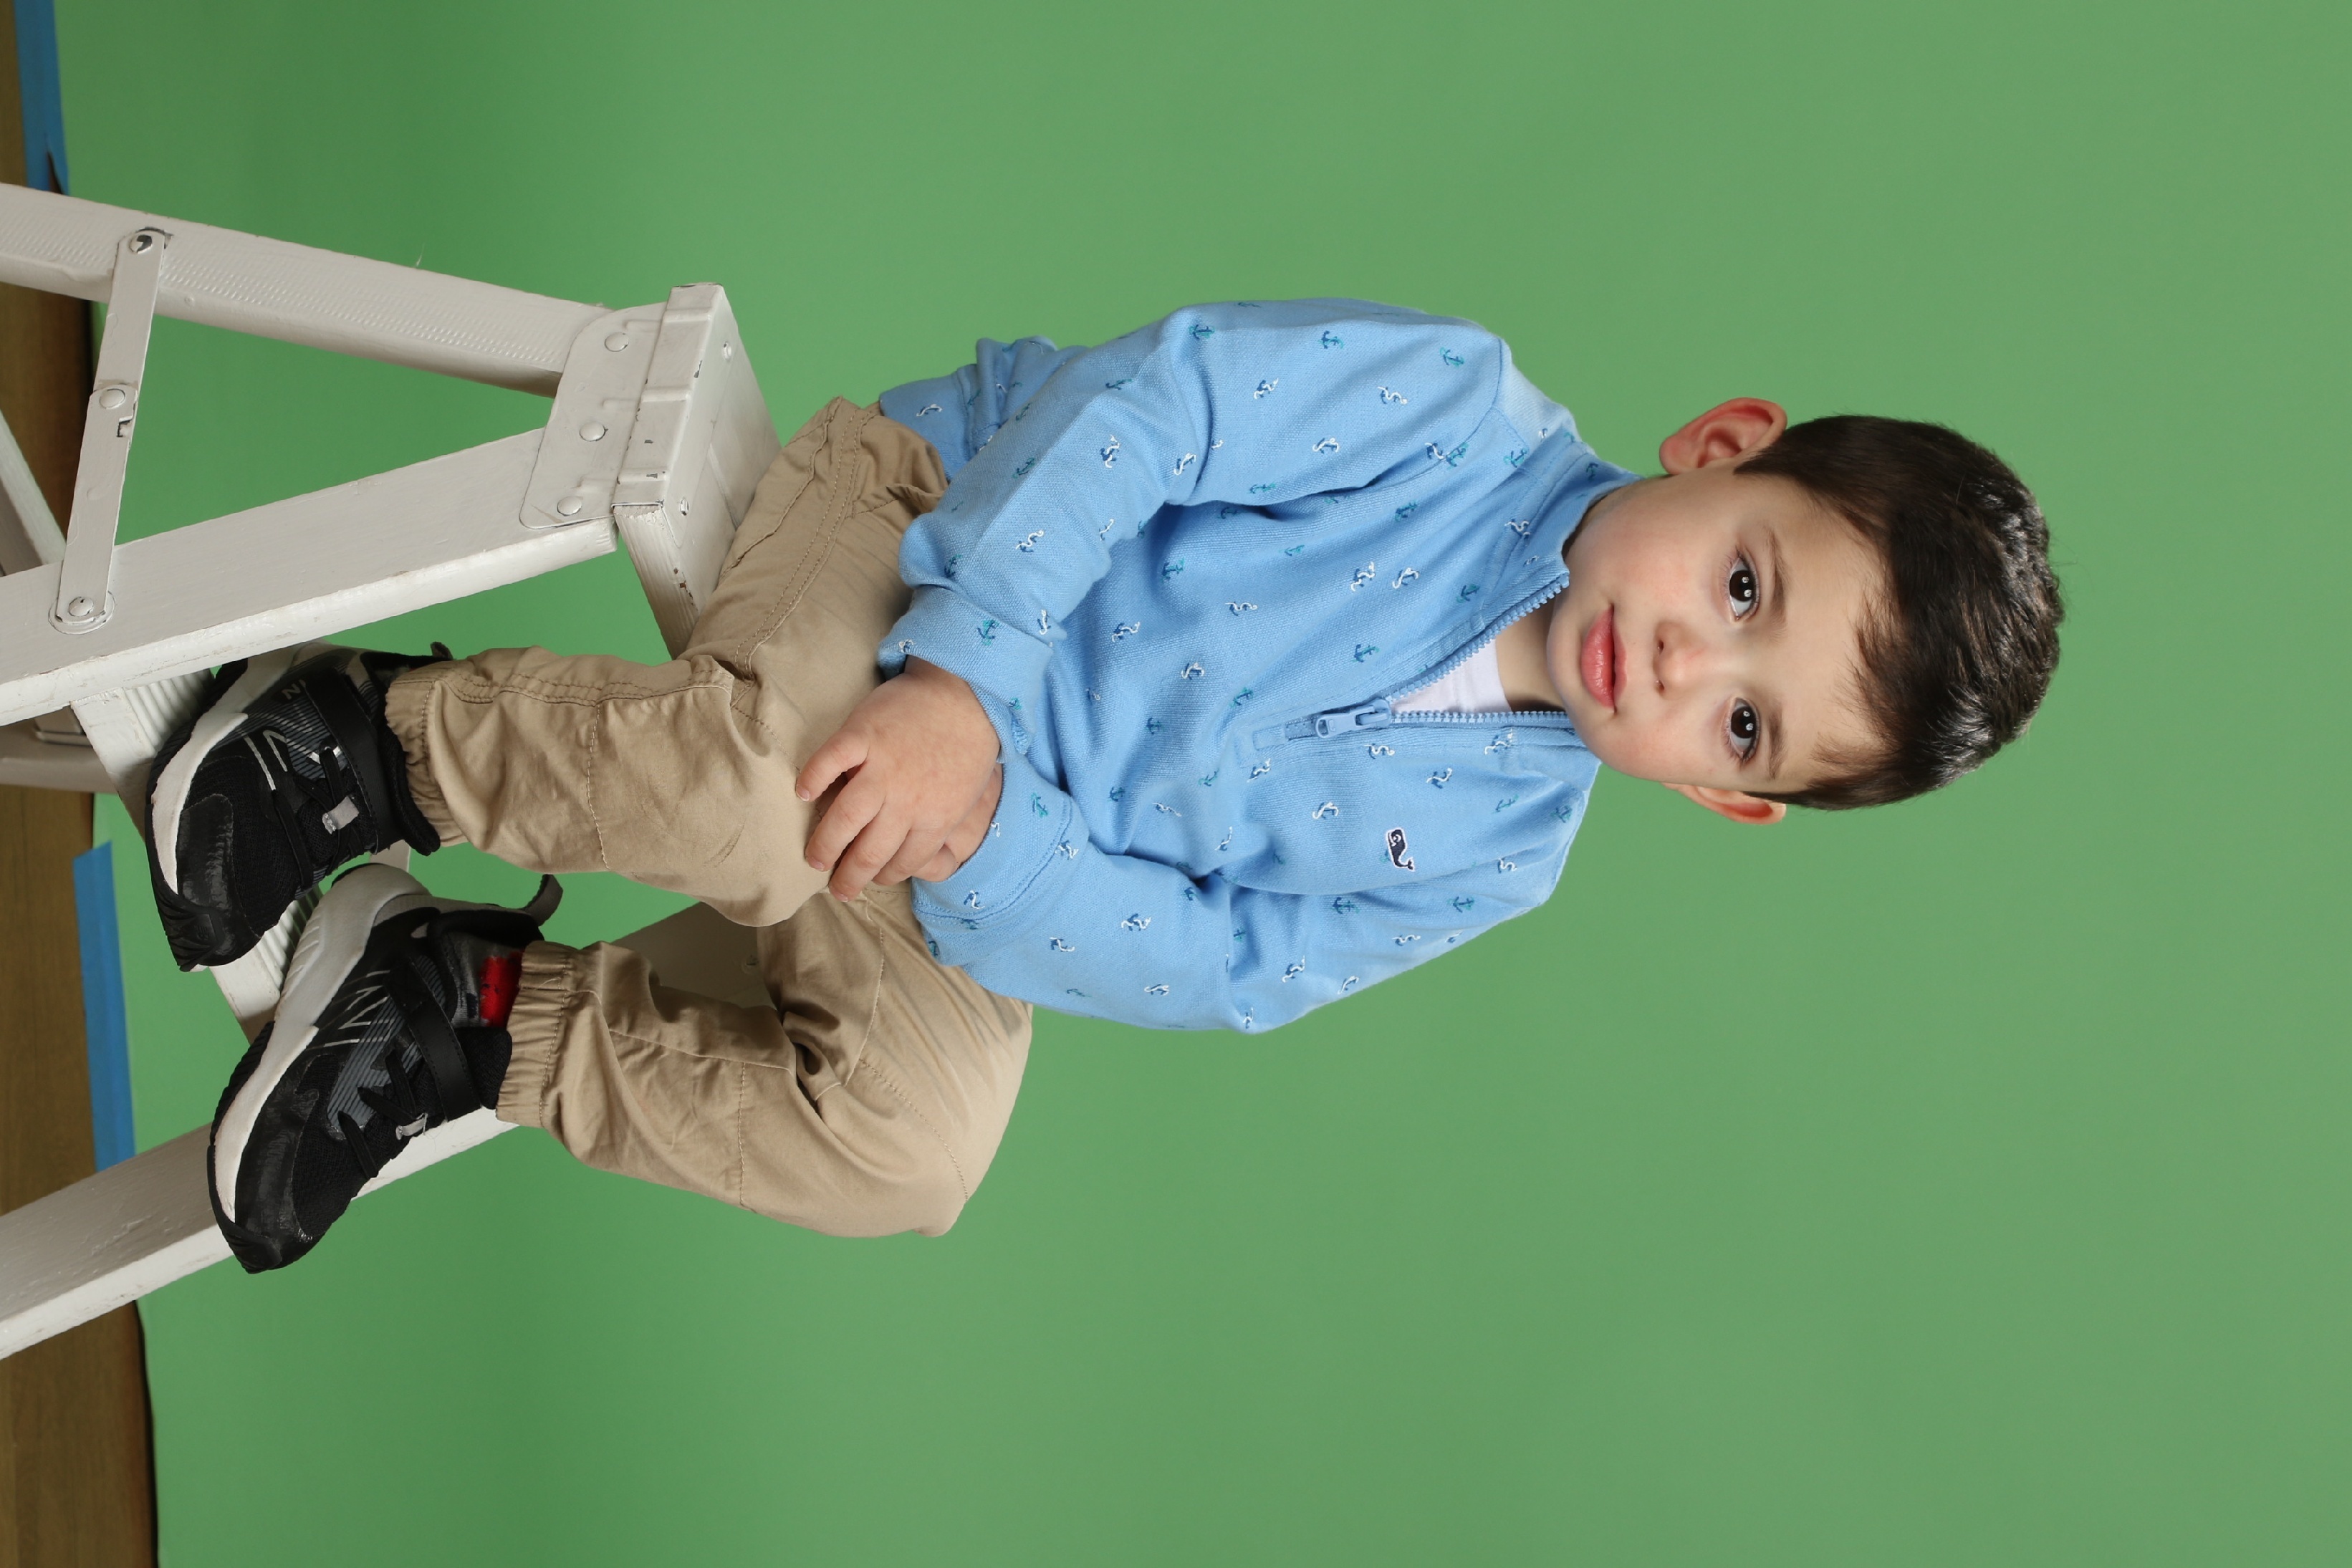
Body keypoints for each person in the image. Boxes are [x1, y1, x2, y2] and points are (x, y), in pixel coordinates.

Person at [143, 299, 2063, 1272]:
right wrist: (966, 679)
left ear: (1730, 800)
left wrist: (992, 830)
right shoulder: (1456, 418)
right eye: (1745, 588)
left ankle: (470, 1013)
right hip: (922, 550)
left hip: (979, 855)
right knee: (757, 798)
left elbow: (1224, 964)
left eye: (1747, 727)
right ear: (1721, 448)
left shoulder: (1499, 857)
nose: (1691, 665)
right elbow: (1159, 407)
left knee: (919, 1151)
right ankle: (366, 742)